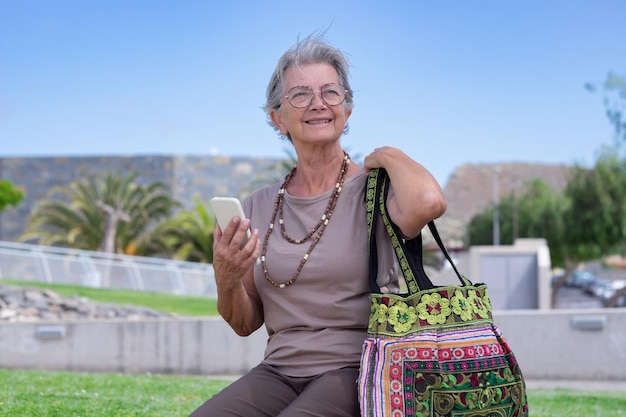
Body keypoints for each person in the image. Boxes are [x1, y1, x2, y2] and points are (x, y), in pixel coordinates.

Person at [188, 35, 447, 417]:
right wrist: (226, 278)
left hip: (359, 369)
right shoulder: (256, 206)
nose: (318, 103)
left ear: (347, 109)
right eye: (300, 95)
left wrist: (385, 155)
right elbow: (245, 323)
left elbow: (430, 202)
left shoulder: (375, 191)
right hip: (279, 371)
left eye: (330, 92)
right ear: (278, 117)